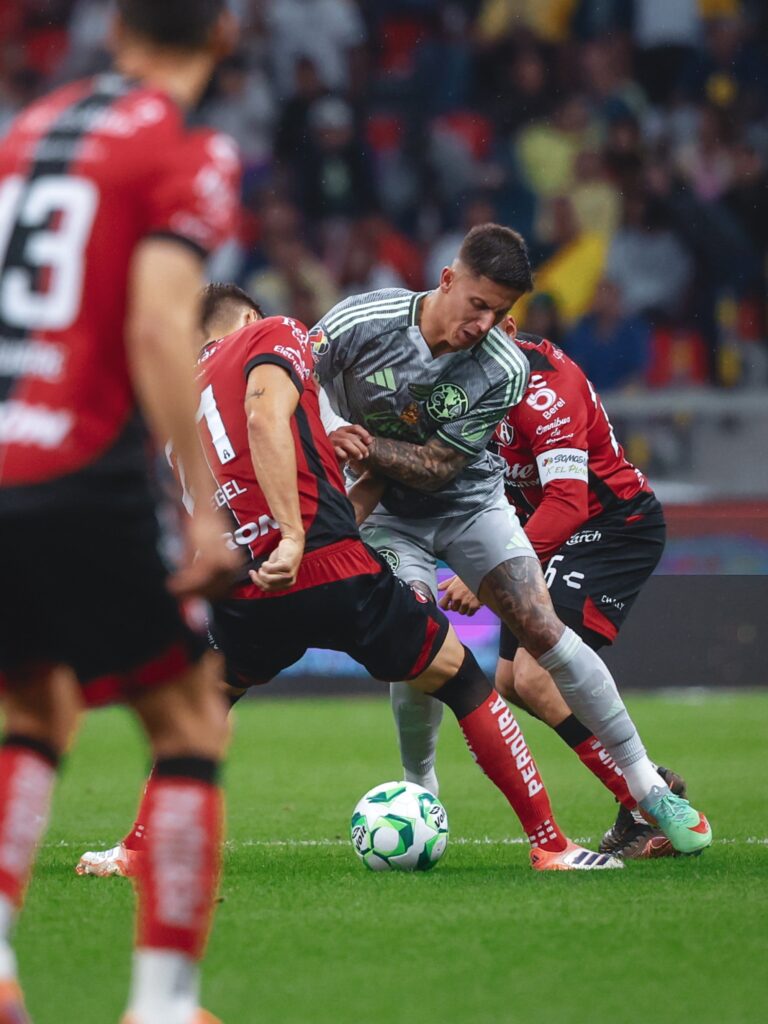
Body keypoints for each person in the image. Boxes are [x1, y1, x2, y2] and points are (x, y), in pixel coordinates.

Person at [79, 284, 620, 878]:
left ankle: (136, 848)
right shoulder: (272, 333)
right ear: (250, 317)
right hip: (324, 558)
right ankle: (551, 845)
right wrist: (290, 532)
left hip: (244, 586)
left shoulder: (181, 396)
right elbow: (264, 417)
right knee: (463, 680)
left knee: (202, 707)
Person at [311, 223, 711, 859]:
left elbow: (447, 469)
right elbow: (300, 374)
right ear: (447, 279)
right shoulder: (366, 320)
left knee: (540, 634)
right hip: (394, 516)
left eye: (502, 313)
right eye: (478, 306)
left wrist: (362, 444)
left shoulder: (513, 374)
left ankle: (644, 786)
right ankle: (423, 789)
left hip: (511, 511)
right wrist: (332, 428)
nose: (486, 325)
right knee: (427, 644)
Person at [0, 3, 242, 1023]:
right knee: (188, 718)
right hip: (88, 466)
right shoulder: (185, 152)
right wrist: (199, 502)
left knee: (34, 709)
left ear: (118, 29)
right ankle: (163, 1002)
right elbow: (156, 324)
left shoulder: (26, 133)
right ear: (223, 36)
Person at [438, 320, 686, 859]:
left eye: (485, 321)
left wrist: (485, 579)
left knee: (535, 673)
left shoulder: (548, 387)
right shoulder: (458, 381)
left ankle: (648, 804)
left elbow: (567, 504)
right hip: (544, 533)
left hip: (610, 524)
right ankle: (646, 789)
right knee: (510, 681)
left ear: (507, 325)